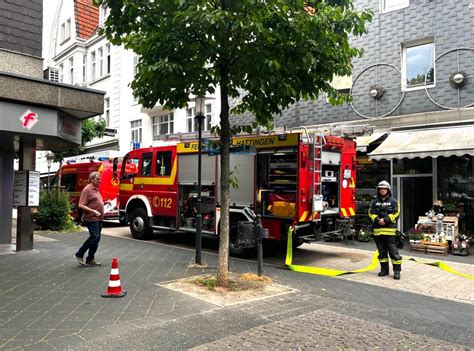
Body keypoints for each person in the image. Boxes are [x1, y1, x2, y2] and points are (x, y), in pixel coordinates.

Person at [74, 171, 109, 267]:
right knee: (94, 237)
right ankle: (79, 254)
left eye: (100, 179)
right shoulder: (87, 190)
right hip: (91, 218)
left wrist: (106, 202)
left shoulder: (96, 189)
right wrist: (93, 211)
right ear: (92, 179)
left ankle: (90, 259)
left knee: (97, 239)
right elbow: (81, 204)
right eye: (98, 179)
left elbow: (97, 202)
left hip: (99, 218)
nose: (100, 181)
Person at [368, 180, 402, 280]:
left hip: (390, 232)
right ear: (378, 190)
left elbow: (396, 213)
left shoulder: (394, 201)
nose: (382, 190)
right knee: (381, 252)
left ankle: (396, 271)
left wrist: (385, 220)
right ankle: (384, 270)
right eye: (381, 189)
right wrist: (377, 219)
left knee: (393, 252)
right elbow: (370, 212)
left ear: (388, 190)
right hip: (378, 232)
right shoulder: (374, 201)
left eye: (384, 189)